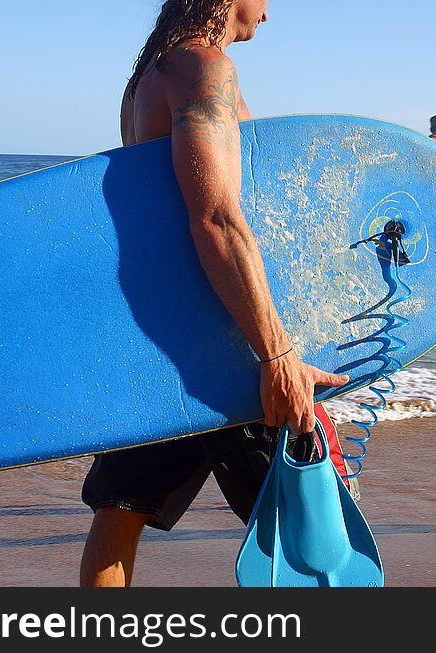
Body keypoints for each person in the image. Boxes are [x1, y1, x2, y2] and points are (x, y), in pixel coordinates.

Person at [79, 0, 350, 587]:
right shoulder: (203, 67)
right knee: (315, 524)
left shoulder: (150, 74)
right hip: (228, 338)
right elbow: (217, 219)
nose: (270, 13)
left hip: (167, 334)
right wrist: (276, 356)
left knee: (122, 510)